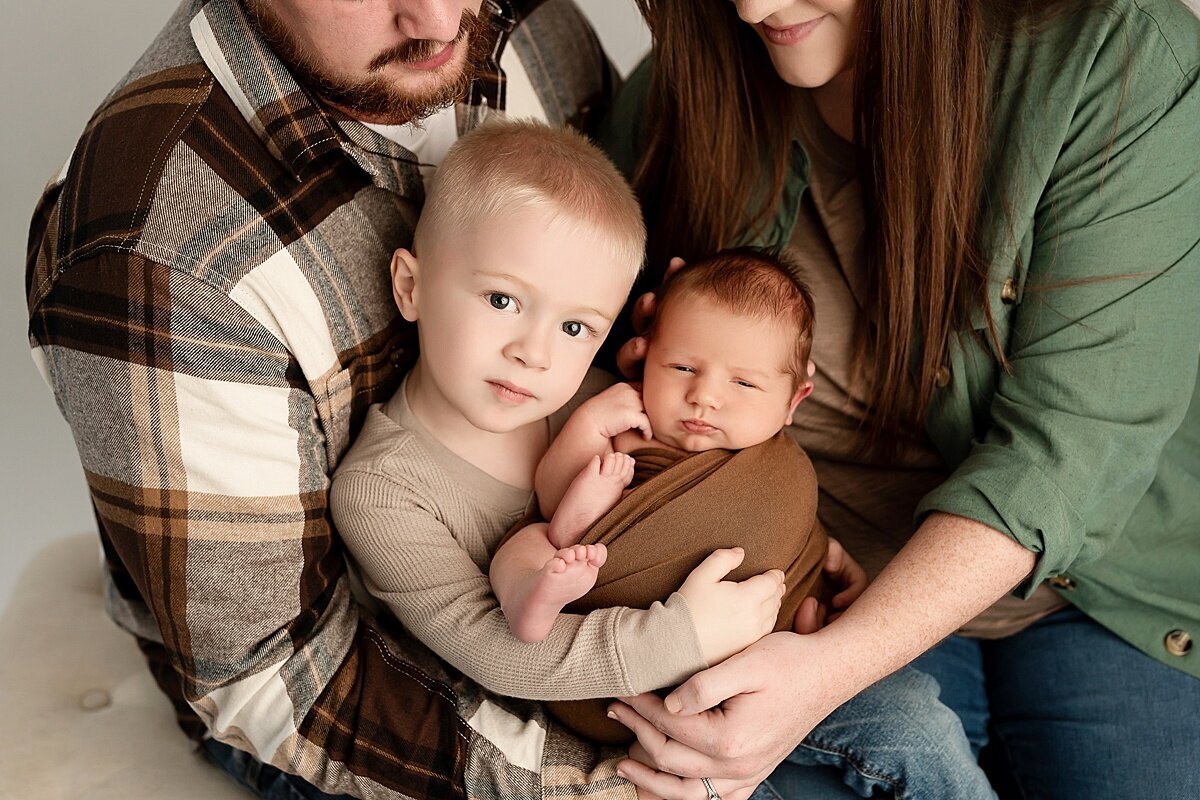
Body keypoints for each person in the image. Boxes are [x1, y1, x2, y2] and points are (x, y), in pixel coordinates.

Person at [22, 0, 670, 798]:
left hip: (607, 617)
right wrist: (622, 781)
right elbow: (281, 685)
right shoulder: (155, 262)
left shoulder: (508, 14)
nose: (439, 18)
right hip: (365, 705)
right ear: (408, 282)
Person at [599, 1, 1200, 798]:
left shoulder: (1115, 55)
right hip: (827, 590)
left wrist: (823, 678)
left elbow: (1068, 454)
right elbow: (573, 307)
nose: (754, 6)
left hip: (1101, 597)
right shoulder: (698, 71)